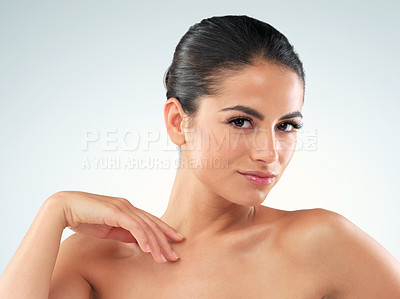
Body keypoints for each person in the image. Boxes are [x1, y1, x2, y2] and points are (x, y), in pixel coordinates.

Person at [1, 15, 399, 298]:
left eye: (286, 126)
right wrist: (54, 211)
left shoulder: (324, 244)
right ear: (178, 122)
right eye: (242, 122)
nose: (269, 153)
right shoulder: (92, 260)